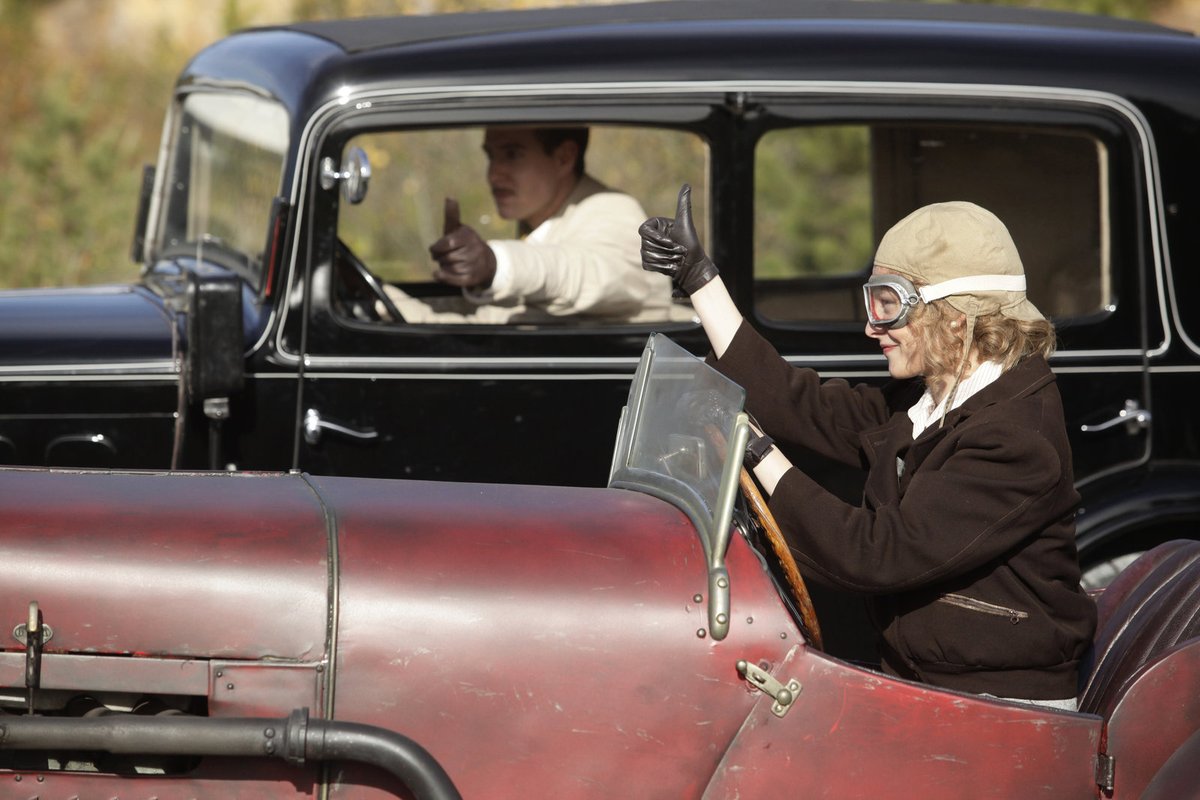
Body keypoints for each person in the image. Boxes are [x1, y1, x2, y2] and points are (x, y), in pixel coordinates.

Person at [640, 185, 1096, 710]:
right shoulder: (935, 396)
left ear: (953, 316)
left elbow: (875, 554)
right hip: (925, 682)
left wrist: (758, 453)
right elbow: (802, 405)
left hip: (996, 707)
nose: (871, 326)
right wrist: (700, 279)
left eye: (889, 304)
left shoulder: (1015, 437)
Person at [381, 126, 682, 324]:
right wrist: (377, 301)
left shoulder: (612, 212)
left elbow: (586, 273)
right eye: (491, 156)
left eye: (512, 155)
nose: (494, 175)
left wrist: (495, 264)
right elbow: (481, 320)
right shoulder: (540, 223)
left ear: (564, 158)